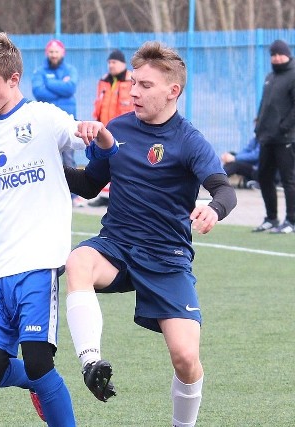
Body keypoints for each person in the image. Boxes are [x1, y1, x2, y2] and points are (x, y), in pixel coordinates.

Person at [0, 32, 118, 426]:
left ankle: (47, 388)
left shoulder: (44, 118)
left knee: (39, 363)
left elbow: (92, 154)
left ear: (14, 78)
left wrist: (98, 134)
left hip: (37, 265)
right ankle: (42, 387)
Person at [63, 41, 236, 427]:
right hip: (117, 247)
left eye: (145, 85)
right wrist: (49, 166)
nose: (134, 92)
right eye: (133, 83)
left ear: (172, 91)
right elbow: (91, 185)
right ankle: (91, 361)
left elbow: (224, 190)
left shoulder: (189, 140)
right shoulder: (119, 129)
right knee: (78, 261)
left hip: (167, 259)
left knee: (186, 358)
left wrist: (213, 208)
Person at [31, 39, 84, 207]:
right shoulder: (39, 71)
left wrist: (50, 83)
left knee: (69, 160)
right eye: (51, 51)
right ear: (47, 53)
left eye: (57, 51)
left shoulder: (71, 70)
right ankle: (46, 196)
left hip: (68, 122)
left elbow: (70, 89)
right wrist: (61, 88)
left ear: (63, 53)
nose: (54, 54)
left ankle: (74, 196)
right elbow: (39, 93)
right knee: (45, 158)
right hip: (45, 123)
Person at [252, 39, 295, 234]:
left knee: (288, 180)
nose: (277, 58)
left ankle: (291, 221)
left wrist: (284, 127)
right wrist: (259, 126)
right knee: (264, 177)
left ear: (288, 54)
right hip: (267, 137)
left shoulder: (293, 75)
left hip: (286, 138)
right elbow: (265, 104)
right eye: (273, 55)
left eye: (280, 54)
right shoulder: (270, 76)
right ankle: (271, 218)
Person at [88, 49, 135, 207]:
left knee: (122, 163)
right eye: (109, 62)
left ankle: (121, 197)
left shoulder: (131, 81)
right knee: (104, 162)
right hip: (104, 128)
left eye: (114, 62)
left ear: (123, 64)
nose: (111, 65)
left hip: (124, 129)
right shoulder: (104, 80)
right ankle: (104, 195)